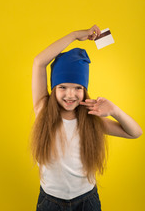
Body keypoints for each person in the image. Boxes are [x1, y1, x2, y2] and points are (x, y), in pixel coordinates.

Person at [30, 24, 143, 211]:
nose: (70, 94)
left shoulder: (91, 120)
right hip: (50, 202)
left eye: (77, 88)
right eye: (62, 87)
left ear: (84, 90)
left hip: (86, 201)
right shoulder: (42, 111)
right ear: (53, 89)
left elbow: (135, 132)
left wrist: (115, 110)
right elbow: (39, 62)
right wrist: (74, 35)